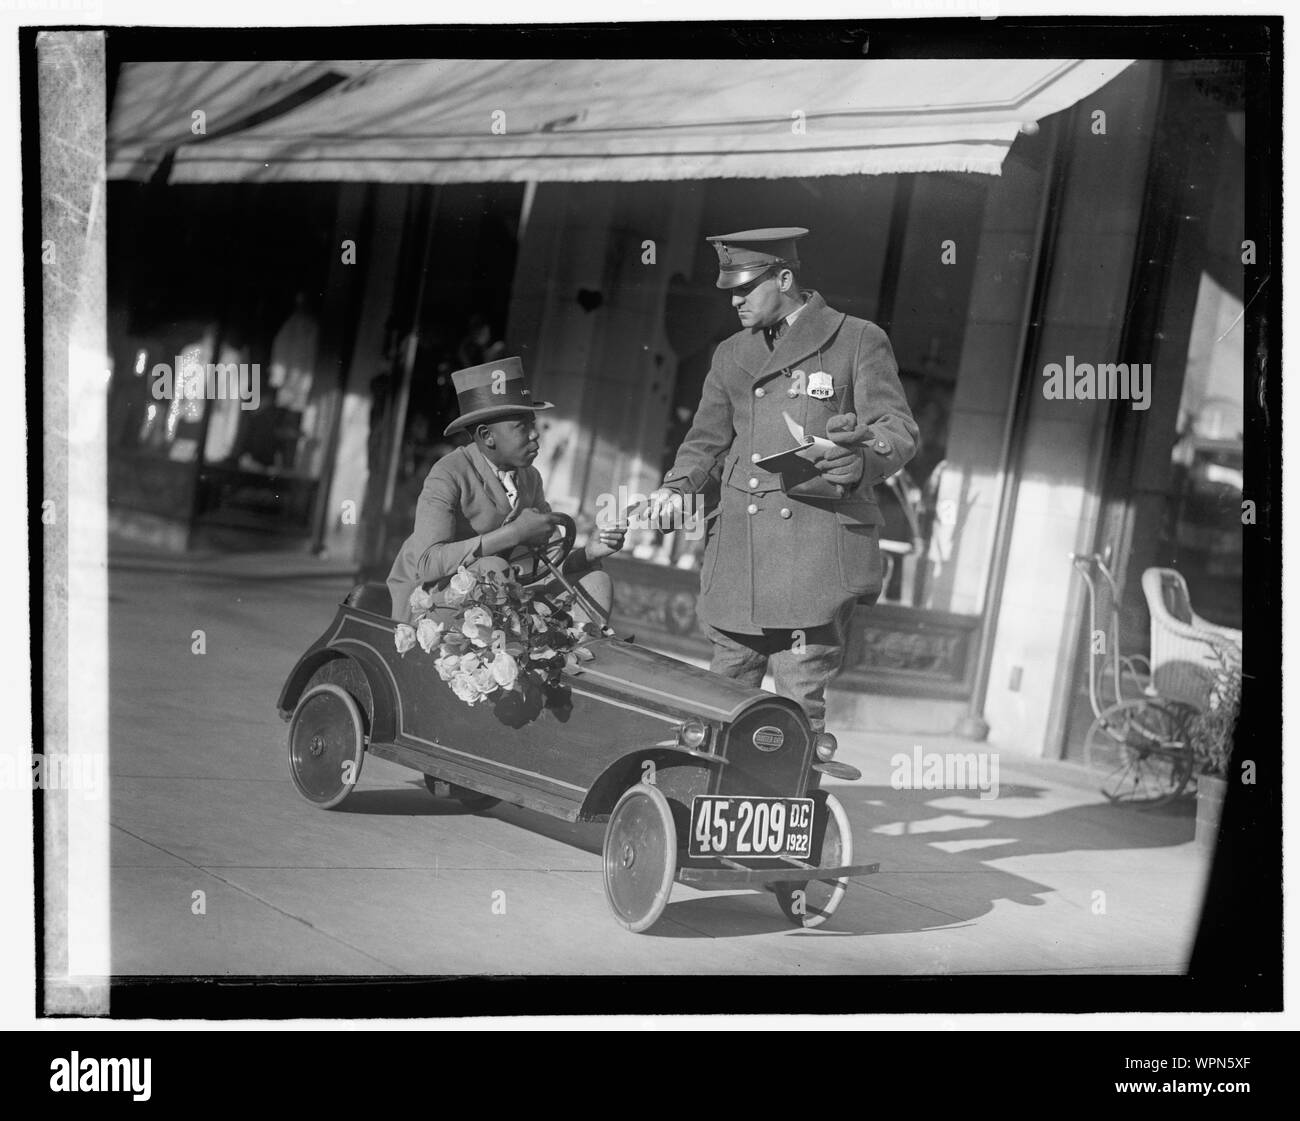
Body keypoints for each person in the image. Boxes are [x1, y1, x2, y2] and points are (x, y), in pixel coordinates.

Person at [647, 227, 919, 732]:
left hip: (814, 556)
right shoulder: (731, 353)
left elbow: (897, 429)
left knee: (794, 714)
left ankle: (788, 804)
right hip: (740, 555)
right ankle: (709, 804)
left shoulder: (856, 339)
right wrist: (675, 488)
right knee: (717, 706)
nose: (735, 300)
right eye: (731, 290)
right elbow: (705, 442)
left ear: (786, 279)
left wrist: (862, 460)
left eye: (746, 289)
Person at [387, 356, 625, 623]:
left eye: (532, 425)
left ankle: (576, 653)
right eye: (522, 427)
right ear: (487, 436)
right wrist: (513, 533)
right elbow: (428, 563)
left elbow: (547, 561)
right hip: (429, 601)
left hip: (498, 595)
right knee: (493, 568)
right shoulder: (448, 473)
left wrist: (587, 554)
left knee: (596, 580)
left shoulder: (530, 477)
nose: (535, 435)